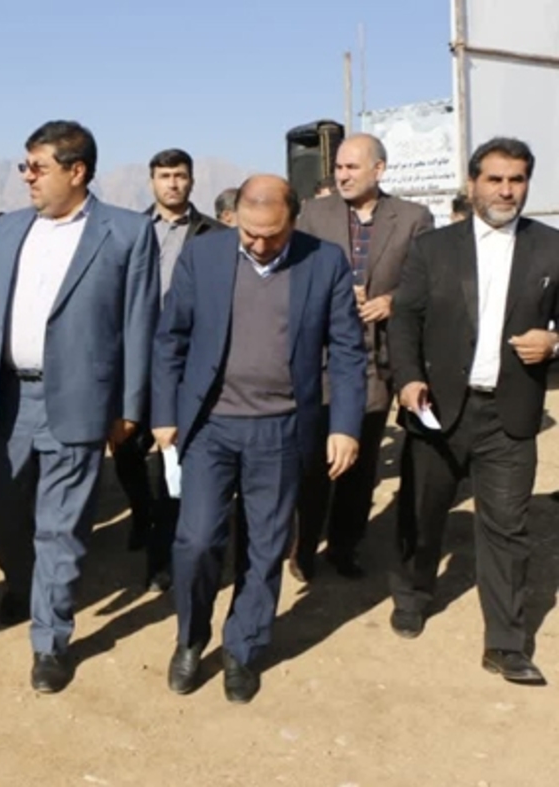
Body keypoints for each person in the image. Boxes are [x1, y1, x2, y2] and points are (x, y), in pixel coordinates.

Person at [152, 175, 366, 703]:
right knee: (196, 541)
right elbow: (170, 338)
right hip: (211, 425)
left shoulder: (325, 262)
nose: (260, 244)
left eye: (272, 235)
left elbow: (346, 350)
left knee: (265, 548)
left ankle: (243, 648)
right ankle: (191, 637)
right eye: (249, 233)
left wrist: (344, 425)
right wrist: (164, 413)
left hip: (281, 427)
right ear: (237, 218)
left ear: (293, 219)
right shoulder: (204, 256)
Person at [0, 120, 159, 694]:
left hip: (78, 399)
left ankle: (50, 640)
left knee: (61, 527)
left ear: (77, 171)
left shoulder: (125, 232)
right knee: (2, 510)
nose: (27, 177)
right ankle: (23, 586)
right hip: (6, 398)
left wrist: (130, 405)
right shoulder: (8, 229)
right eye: (25, 166)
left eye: (38, 167)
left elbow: (139, 323)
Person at [387, 137, 559, 684]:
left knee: (507, 528)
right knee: (422, 512)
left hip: (510, 413)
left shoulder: (551, 247)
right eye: (495, 179)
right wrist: (408, 379)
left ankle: (505, 643)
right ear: (473, 183)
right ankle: (413, 594)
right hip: (438, 409)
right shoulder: (433, 248)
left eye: (517, 180)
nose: (507, 190)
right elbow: (404, 319)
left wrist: (554, 342)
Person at [291, 134, 435, 580]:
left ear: (379, 169)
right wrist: (330, 293)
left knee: (361, 456)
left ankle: (345, 545)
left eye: (352, 167)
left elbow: (427, 279)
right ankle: (303, 546)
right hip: (321, 355)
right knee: (313, 458)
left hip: (376, 356)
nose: (343, 175)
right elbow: (293, 273)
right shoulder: (314, 214)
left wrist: (393, 300)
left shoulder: (412, 218)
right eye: (338, 167)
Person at [118, 148, 222, 591]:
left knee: (171, 460)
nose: (173, 183)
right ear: (152, 182)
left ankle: (162, 558)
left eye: (180, 175)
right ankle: (140, 514)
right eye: (164, 176)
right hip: (134, 359)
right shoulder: (130, 231)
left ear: (192, 181)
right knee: (127, 450)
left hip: (184, 362)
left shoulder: (214, 235)